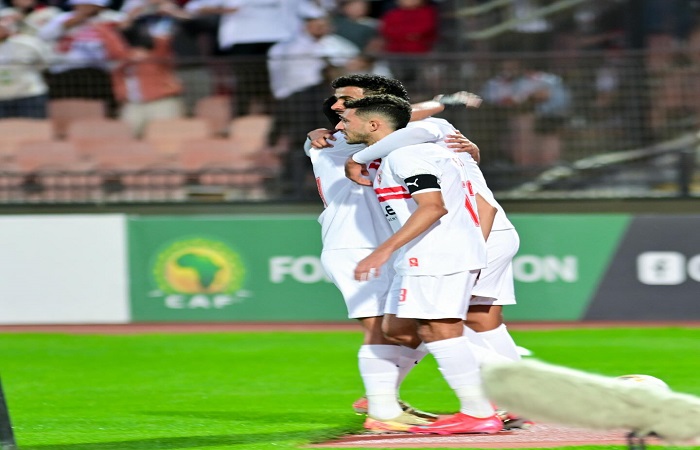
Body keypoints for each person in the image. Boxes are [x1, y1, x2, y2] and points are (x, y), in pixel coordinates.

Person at [305, 74, 488, 433]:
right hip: (355, 245)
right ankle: (383, 407)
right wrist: (445, 102)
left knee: (407, 328)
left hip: (388, 245)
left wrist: (470, 147)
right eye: (338, 103)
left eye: (348, 101)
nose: (340, 108)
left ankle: (384, 401)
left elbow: (410, 124)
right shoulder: (334, 141)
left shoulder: (386, 141)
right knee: (385, 329)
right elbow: (412, 123)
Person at [267, 14, 360, 199]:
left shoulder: (351, 97)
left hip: (335, 142)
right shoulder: (288, 51)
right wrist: (273, 139)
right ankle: (294, 192)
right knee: (298, 155)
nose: (336, 73)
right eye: (333, 69)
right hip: (304, 135)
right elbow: (282, 113)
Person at [38, 0, 125, 116]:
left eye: (90, 5)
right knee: (68, 108)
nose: (86, 7)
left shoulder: (112, 18)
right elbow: (44, 36)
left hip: (99, 72)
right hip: (65, 71)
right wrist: (77, 19)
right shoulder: (62, 18)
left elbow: (126, 33)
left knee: (99, 109)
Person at [0, 13, 51, 118]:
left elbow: (45, 64)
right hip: (2, 98)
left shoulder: (29, 43)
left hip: (30, 95)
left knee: (33, 127)